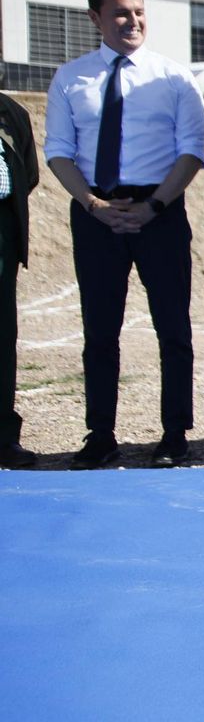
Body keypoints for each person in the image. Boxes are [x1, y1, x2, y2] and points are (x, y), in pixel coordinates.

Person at [44, 0, 204, 469]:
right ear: (95, 19)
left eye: (138, 12)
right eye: (120, 13)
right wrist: (93, 204)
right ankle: (101, 434)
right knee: (100, 330)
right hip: (96, 215)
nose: (133, 21)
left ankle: (175, 434)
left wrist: (154, 205)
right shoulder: (70, 79)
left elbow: (191, 152)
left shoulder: (173, 78)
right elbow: (58, 152)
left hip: (159, 214)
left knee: (173, 329)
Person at [0, 88, 40, 468]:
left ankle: (3, 437)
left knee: (1, 336)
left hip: (2, 231)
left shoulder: (11, 113)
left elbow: (27, 174)